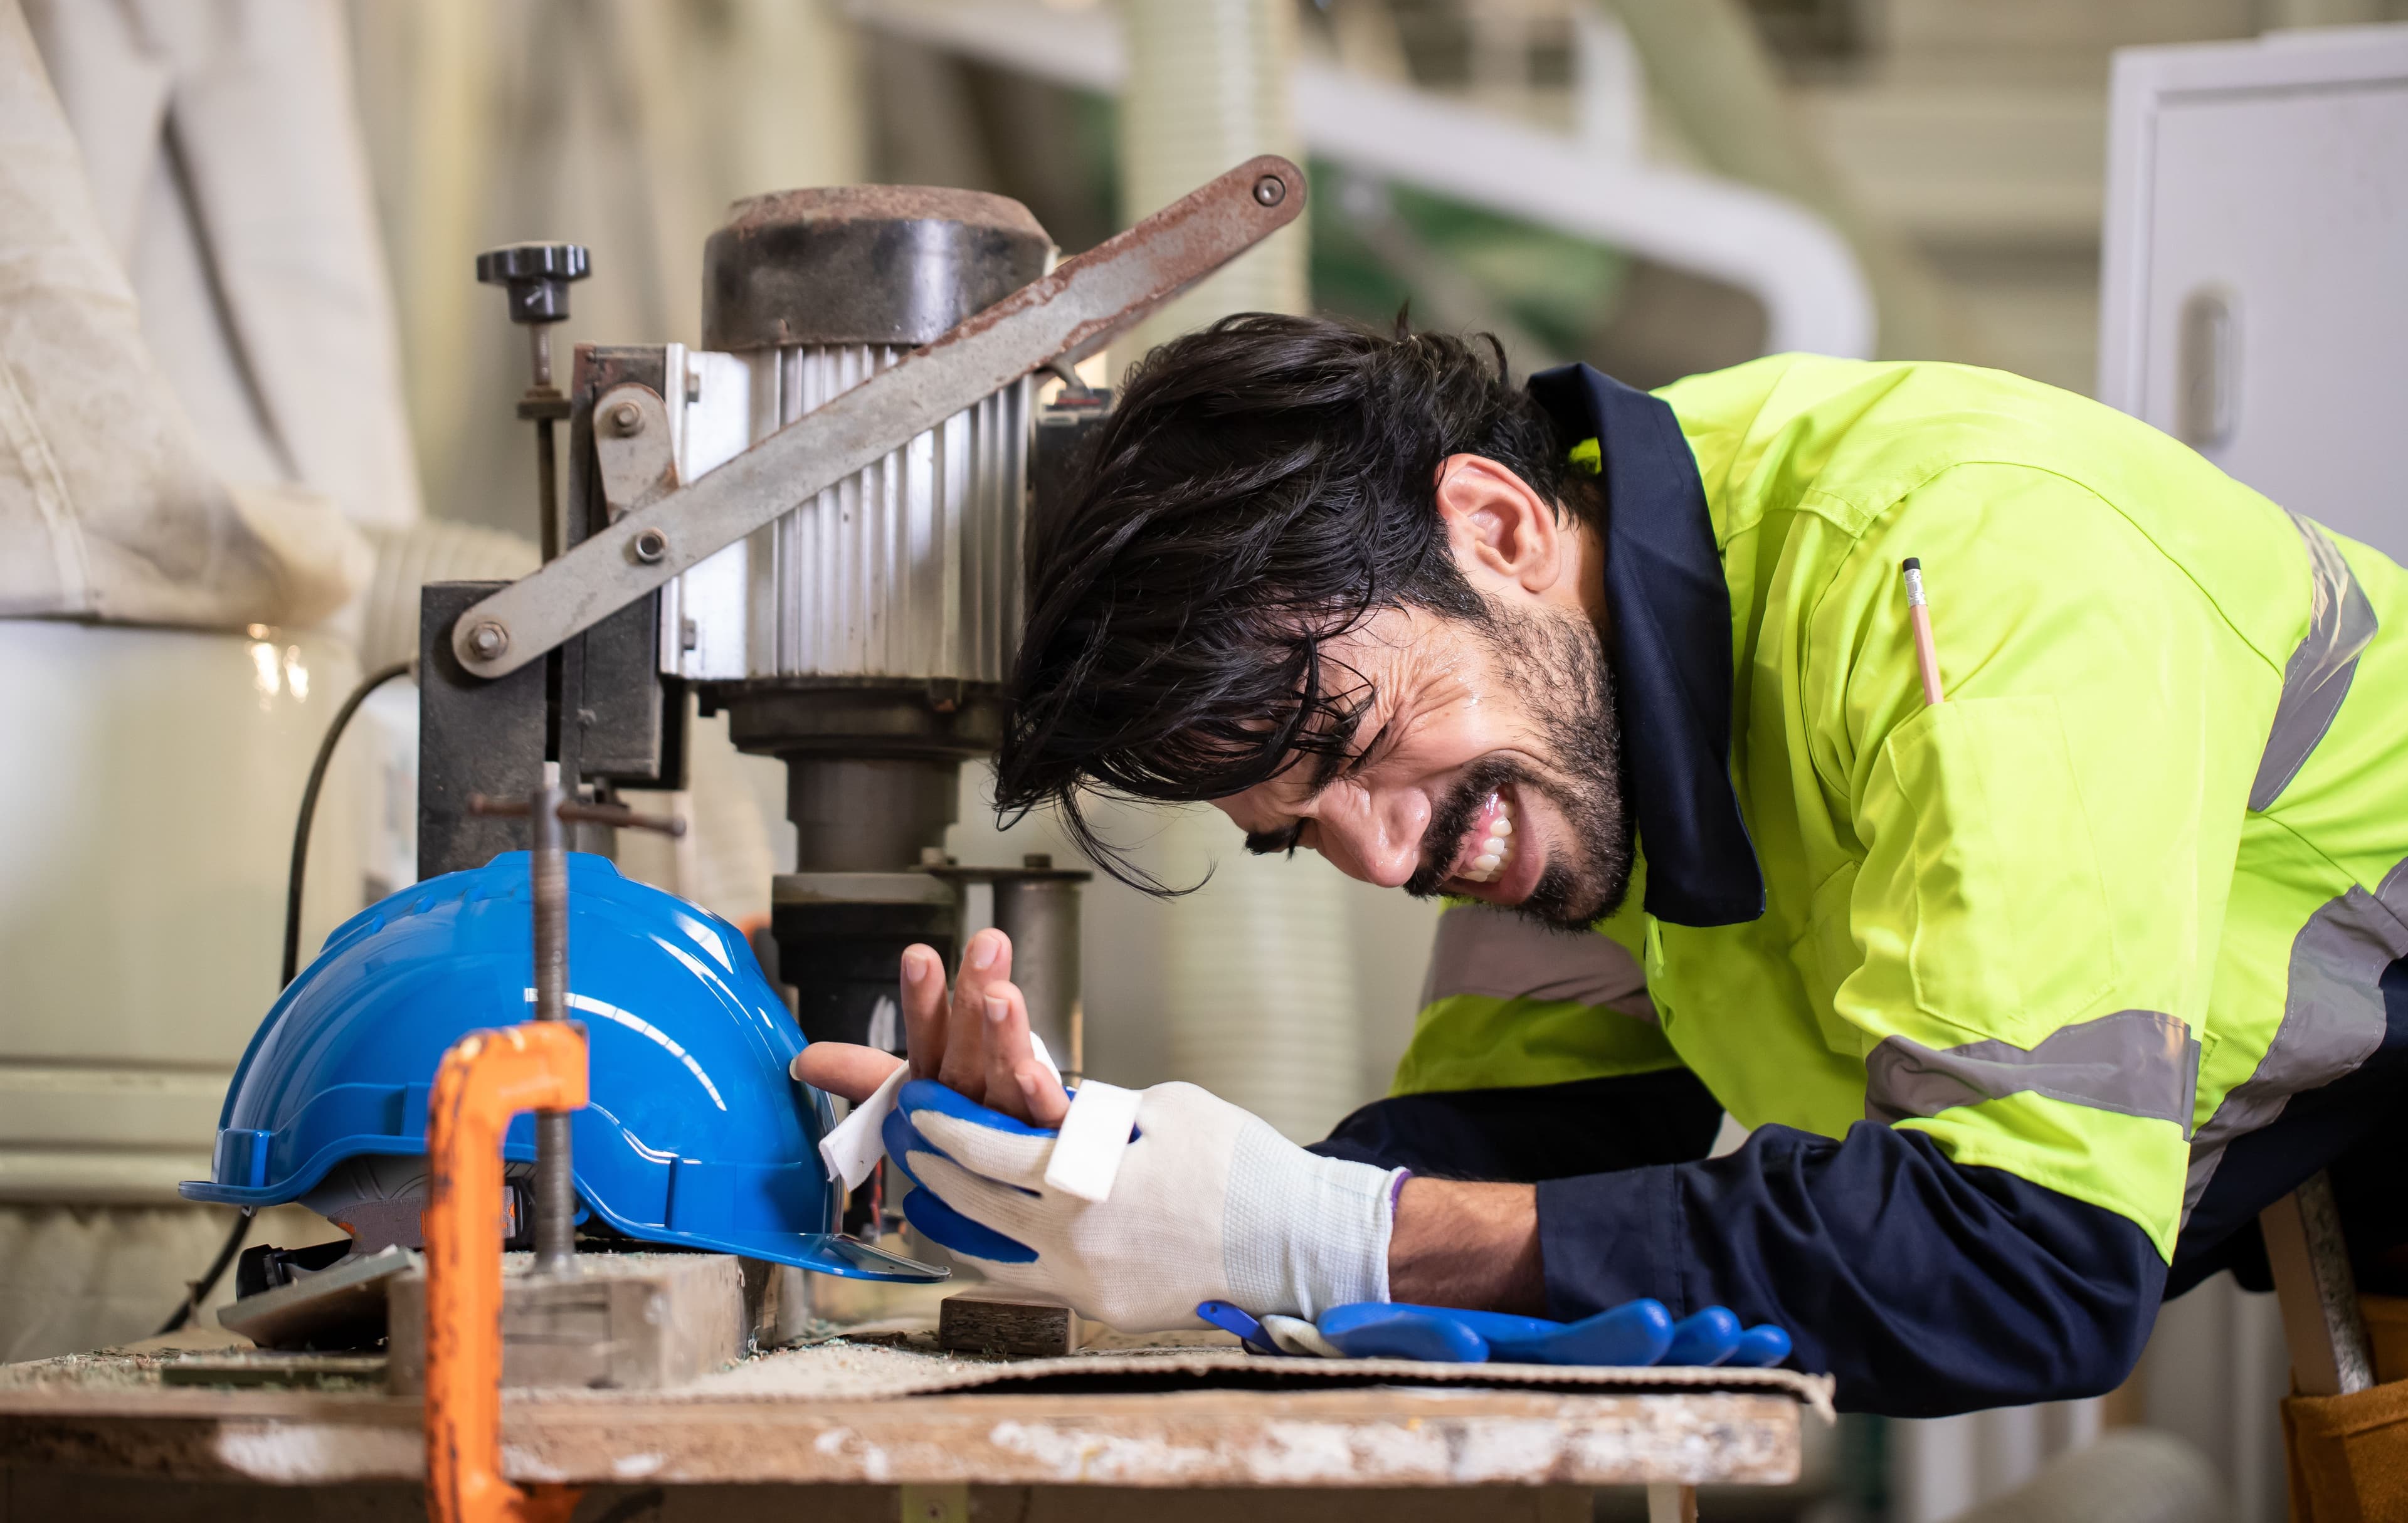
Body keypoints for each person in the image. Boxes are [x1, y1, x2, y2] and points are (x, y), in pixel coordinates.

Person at [796, 315, 2408, 1415]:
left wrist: (1317, 1234)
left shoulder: (1965, 579)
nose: (1382, 857)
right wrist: (1106, 1182)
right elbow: (1523, 1150)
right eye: (1296, 830)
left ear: (1493, 524)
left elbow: (2023, 1259)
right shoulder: (1572, 692)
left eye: (1354, 748)